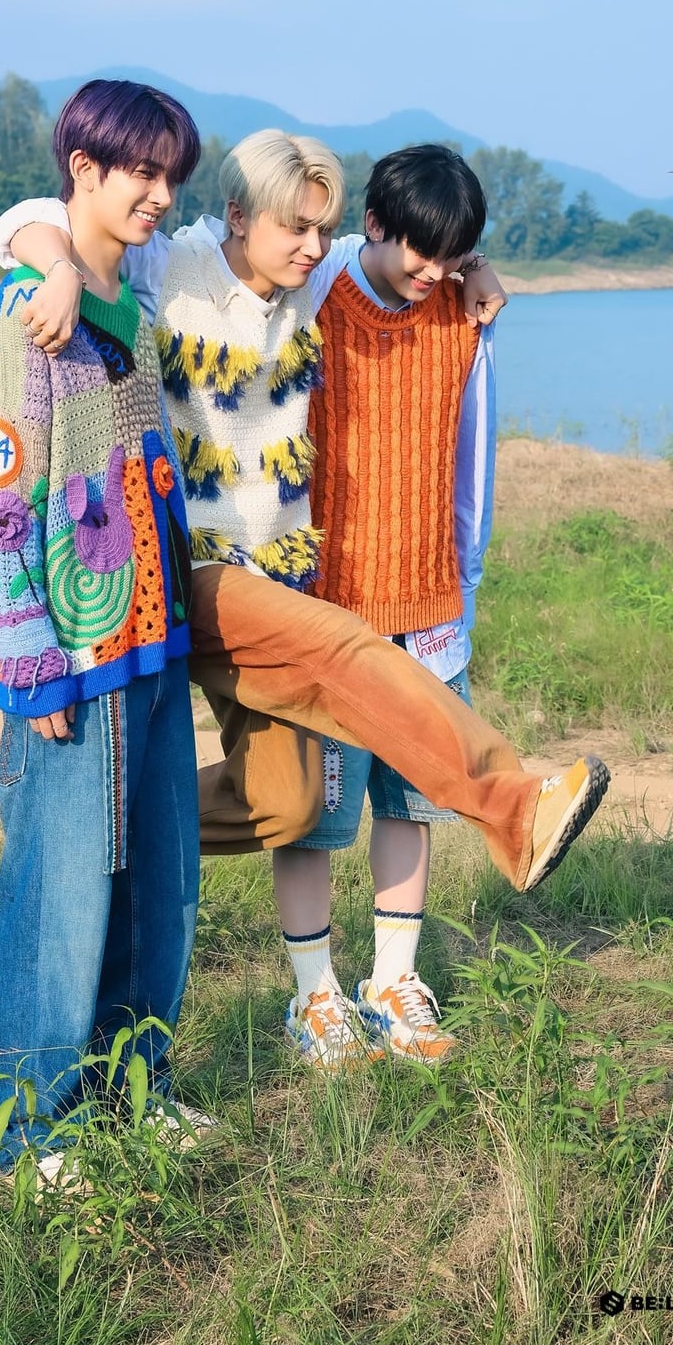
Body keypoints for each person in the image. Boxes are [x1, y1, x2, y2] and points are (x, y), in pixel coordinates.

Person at [0, 124, 609, 916]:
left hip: (276, 576)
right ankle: (511, 807)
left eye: (324, 229)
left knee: (288, 802)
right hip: (194, 568)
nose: (315, 247)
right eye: (296, 228)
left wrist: (474, 267)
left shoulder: (311, 281)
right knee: (343, 646)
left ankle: (90, 827)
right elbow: (24, 220)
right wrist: (60, 270)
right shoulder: (170, 266)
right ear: (239, 215)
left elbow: (401, 250)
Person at [0, 78, 205, 1193]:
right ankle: (32, 1135)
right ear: (84, 170)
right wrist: (28, 657)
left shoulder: (127, 304)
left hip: (153, 643)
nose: (158, 195)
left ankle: (135, 1091)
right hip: (69, 649)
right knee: (61, 895)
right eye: (140, 173)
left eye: (170, 177)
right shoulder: (31, 311)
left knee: (159, 886)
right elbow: (0, 492)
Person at [265, 144, 509, 1070]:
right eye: (420, 252)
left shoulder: (464, 315)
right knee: (313, 813)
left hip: (426, 612)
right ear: (373, 224)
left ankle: (392, 982)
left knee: (412, 804)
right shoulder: (311, 295)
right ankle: (314, 993)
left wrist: (460, 592)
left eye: (452, 256)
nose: (433, 272)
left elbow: (473, 462)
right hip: (325, 611)